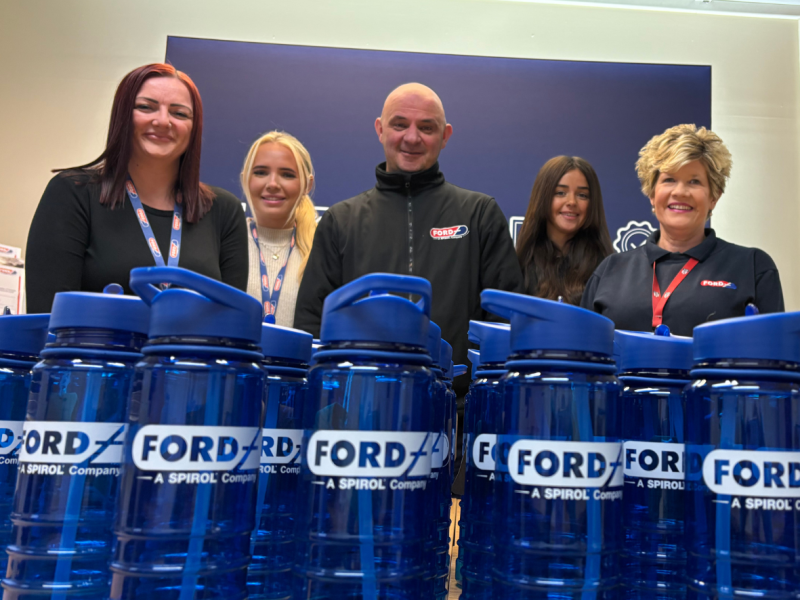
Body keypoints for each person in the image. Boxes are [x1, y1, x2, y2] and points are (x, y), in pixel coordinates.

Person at [294, 82, 522, 393]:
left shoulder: (479, 214)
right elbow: (312, 324)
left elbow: (505, 322)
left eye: (426, 127)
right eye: (400, 125)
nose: (412, 138)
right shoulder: (340, 220)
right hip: (359, 416)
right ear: (380, 129)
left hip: (457, 418)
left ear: (445, 135)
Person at [25, 63, 248, 313]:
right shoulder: (73, 193)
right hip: (94, 353)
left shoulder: (224, 211)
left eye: (180, 114)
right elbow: (47, 320)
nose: (163, 121)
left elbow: (232, 328)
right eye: (145, 107)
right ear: (122, 115)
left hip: (191, 353)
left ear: (194, 128)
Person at [581, 124, 783, 335]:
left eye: (694, 181)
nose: (680, 192)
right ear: (652, 193)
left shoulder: (752, 267)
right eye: (669, 180)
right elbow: (584, 354)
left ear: (714, 196)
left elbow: (774, 357)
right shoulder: (610, 270)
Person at [241, 131, 317, 326]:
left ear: (307, 185)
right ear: (245, 180)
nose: (272, 184)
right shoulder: (226, 241)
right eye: (260, 172)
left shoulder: (322, 247)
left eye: (287, 175)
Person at [516, 156, 613, 305]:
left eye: (582, 195)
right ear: (543, 197)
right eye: (560, 193)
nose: (572, 202)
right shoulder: (519, 262)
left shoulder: (608, 267)